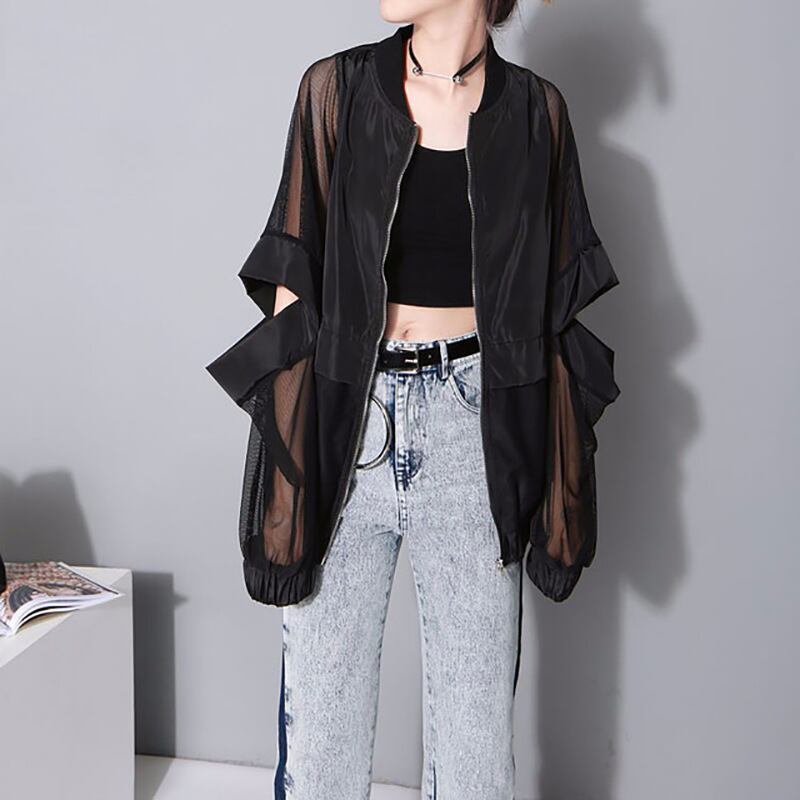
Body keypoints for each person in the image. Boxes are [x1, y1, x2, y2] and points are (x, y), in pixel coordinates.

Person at [206, 1, 621, 797]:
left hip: (476, 432)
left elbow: (551, 320)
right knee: (320, 737)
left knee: (474, 749)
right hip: (349, 422)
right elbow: (294, 284)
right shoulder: (335, 90)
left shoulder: (537, 114)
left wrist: (551, 485)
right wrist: (293, 463)